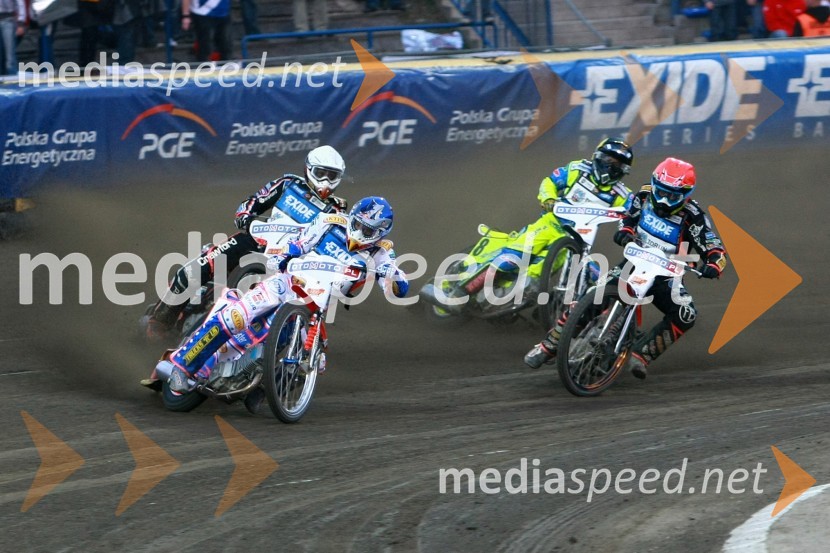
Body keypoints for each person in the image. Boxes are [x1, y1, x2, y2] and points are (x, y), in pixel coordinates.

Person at [160, 196, 410, 393]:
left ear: (380, 233)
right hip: (287, 283)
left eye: (367, 231)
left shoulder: (382, 252)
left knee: (311, 362)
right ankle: (183, 366)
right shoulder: (330, 221)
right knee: (236, 317)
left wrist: (392, 277)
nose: (359, 232)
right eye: (357, 224)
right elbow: (300, 243)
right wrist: (284, 254)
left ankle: (261, 391)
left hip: (314, 305)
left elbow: (398, 287)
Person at [527, 158, 727, 377]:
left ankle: (642, 355)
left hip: (667, 275)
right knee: (593, 294)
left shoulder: (694, 217)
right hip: (634, 262)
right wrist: (625, 231)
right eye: (661, 192)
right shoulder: (644, 196)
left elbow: (715, 248)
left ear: (686, 195)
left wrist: (713, 264)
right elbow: (628, 217)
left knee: (686, 315)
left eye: (672, 196)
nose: (663, 200)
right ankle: (548, 345)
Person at [142, 145, 348, 340]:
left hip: (289, 260)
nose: (325, 180)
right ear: (309, 169)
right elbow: (252, 203)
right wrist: (246, 217)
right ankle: (161, 320)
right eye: (321, 173)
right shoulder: (288, 184)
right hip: (255, 241)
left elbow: (335, 245)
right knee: (195, 269)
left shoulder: (336, 211)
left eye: (332, 176)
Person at [458, 137, 634, 306]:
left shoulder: (623, 195)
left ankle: (539, 301)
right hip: (550, 223)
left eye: (618, 164)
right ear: (598, 156)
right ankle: (462, 290)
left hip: (576, 240)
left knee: (579, 274)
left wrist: (628, 233)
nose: (612, 167)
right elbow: (549, 182)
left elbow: (630, 217)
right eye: (609, 160)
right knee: (514, 257)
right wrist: (548, 198)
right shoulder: (577, 169)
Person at [0, 0, 25, 75]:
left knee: (9, 54)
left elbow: (20, 4)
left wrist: (21, 23)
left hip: (8, 20)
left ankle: (11, 74)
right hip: (7, 19)